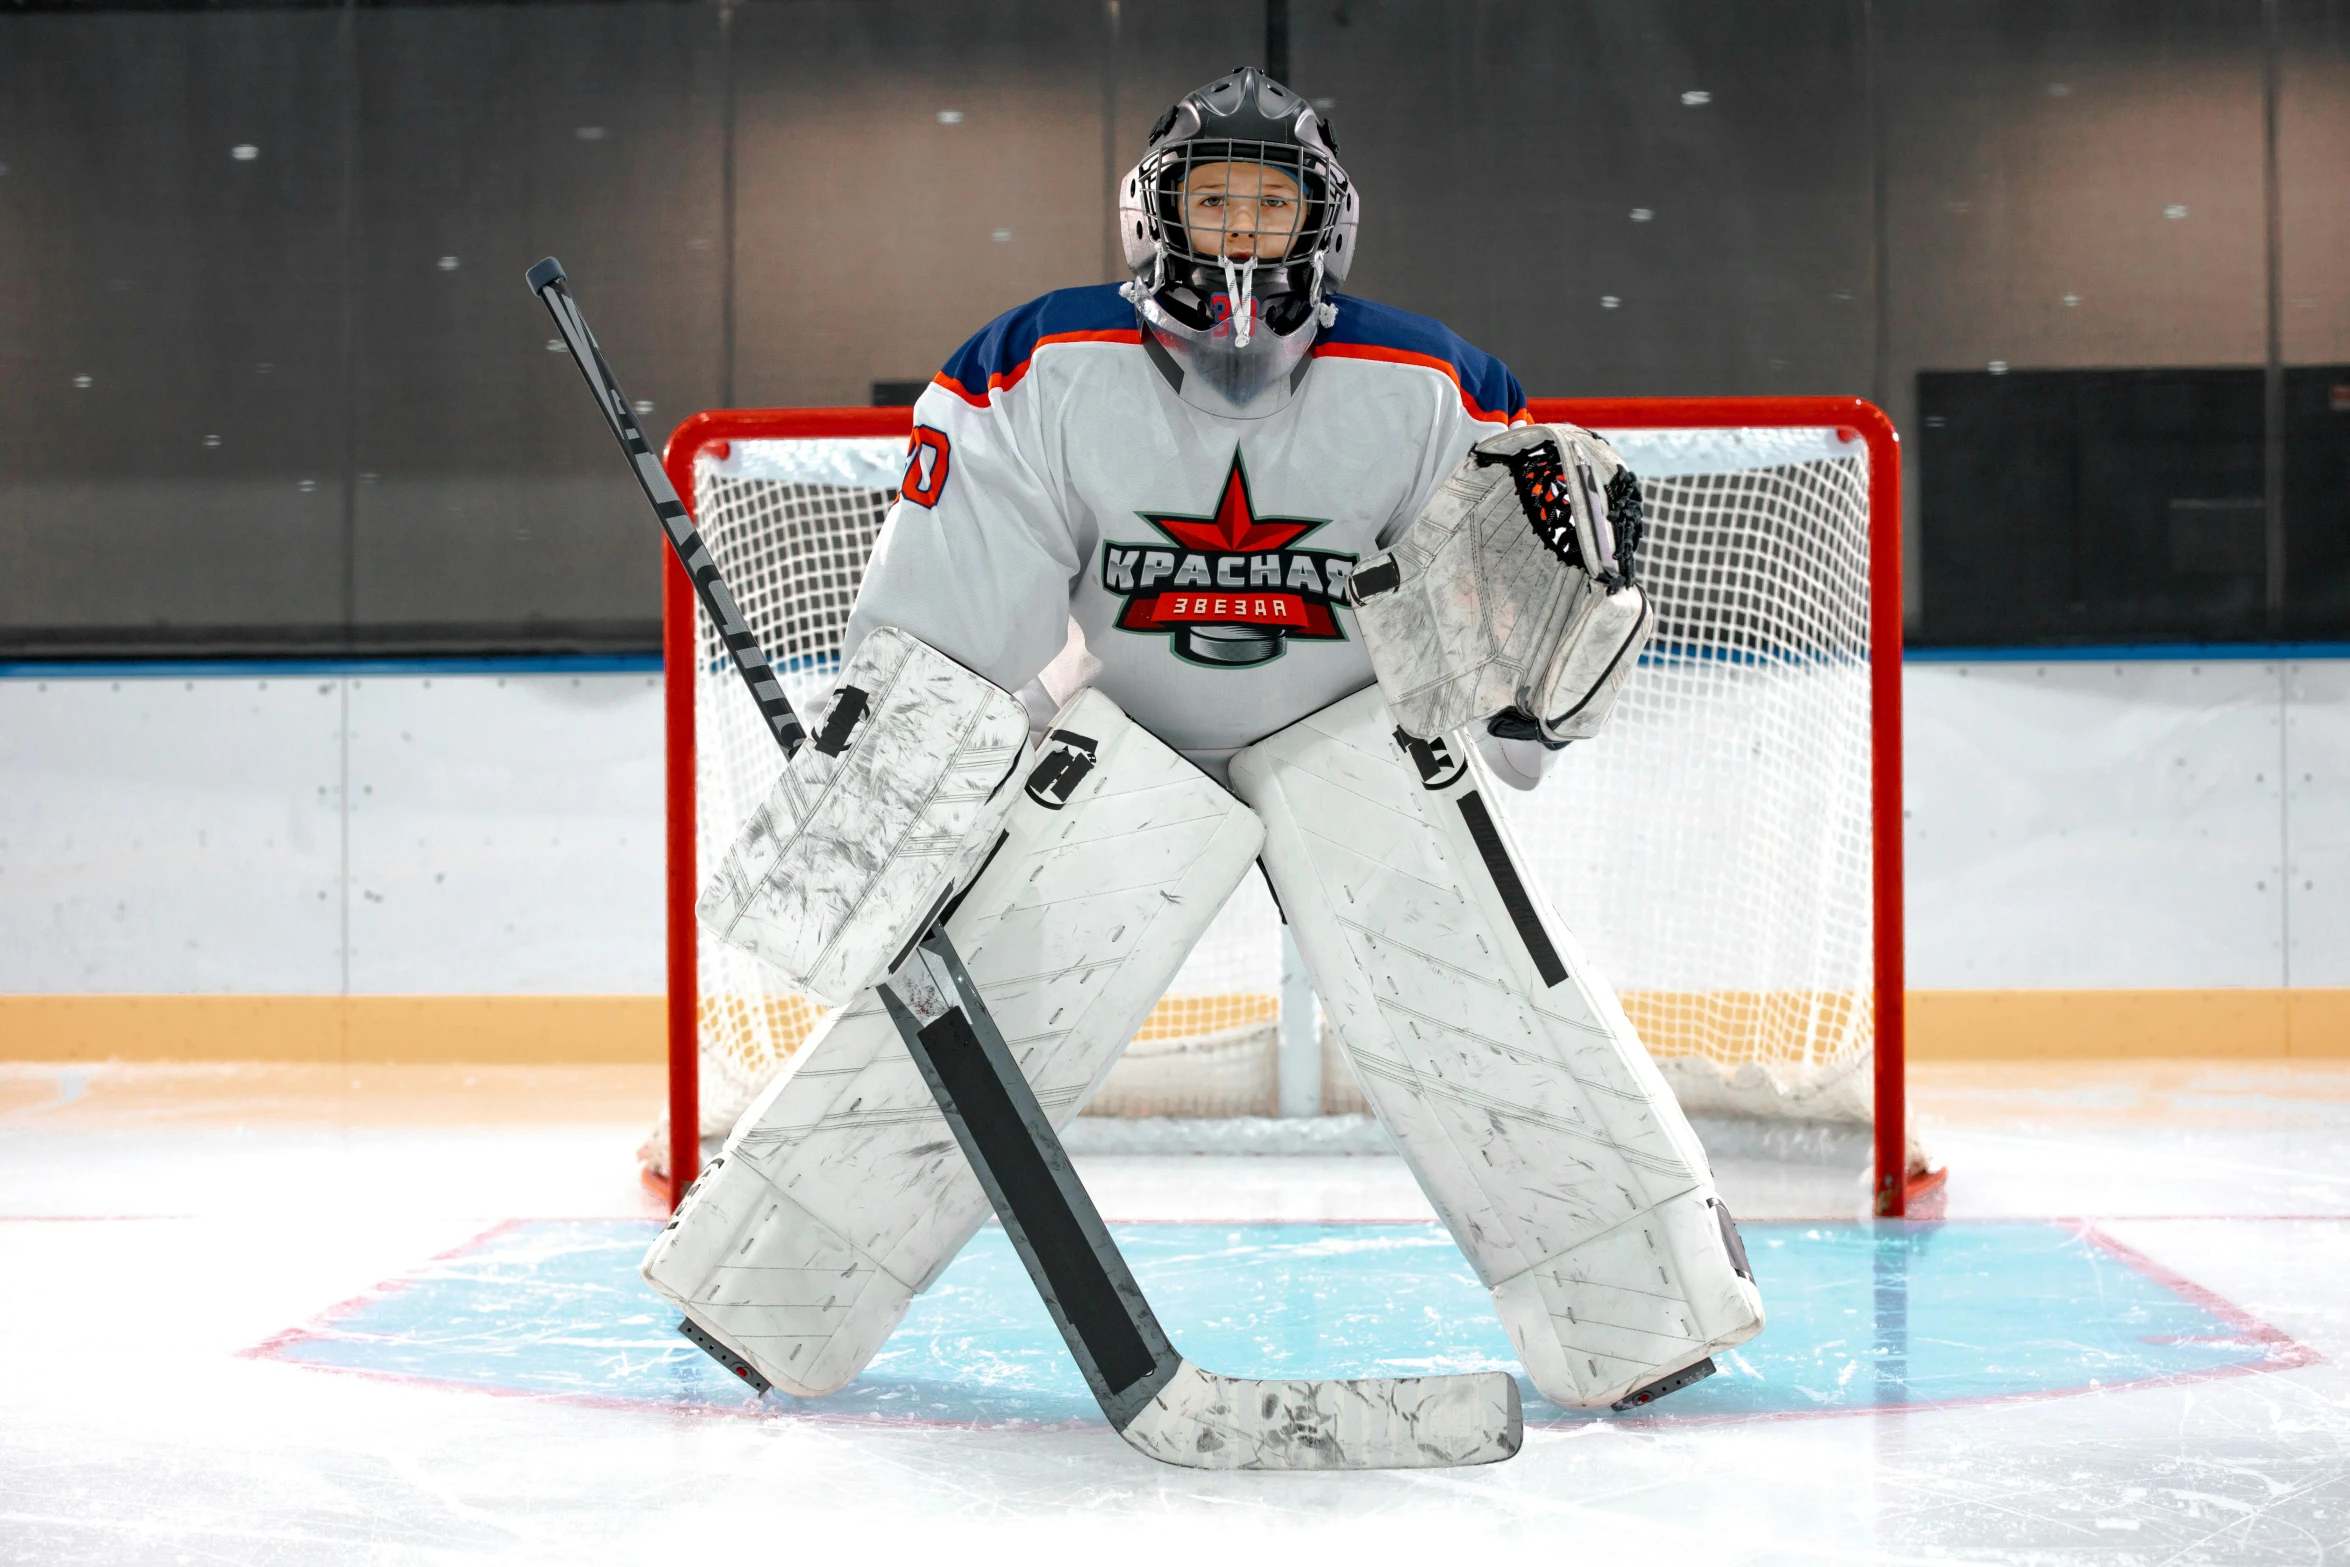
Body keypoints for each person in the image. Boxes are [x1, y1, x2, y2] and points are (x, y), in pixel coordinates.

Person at [643, 67, 1763, 1418]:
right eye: (1212, 200)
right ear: (1149, 213)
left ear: (1324, 226)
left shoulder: (1434, 385)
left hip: (1356, 747)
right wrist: (884, 806)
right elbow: (950, 635)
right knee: (972, 1013)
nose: (1238, 234)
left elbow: (1494, 675)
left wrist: (1542, 673)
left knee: (1486, 1009)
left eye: (1267, 204)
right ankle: (765, 1288)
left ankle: (1643, 1308)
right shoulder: (1033, 365)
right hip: (1126, 757)